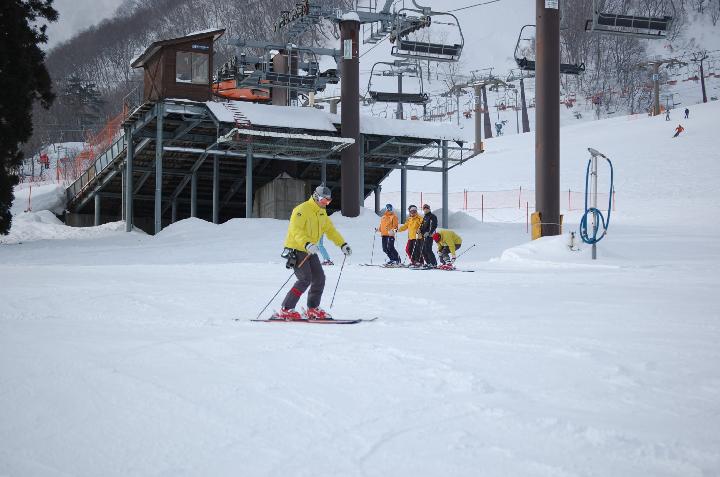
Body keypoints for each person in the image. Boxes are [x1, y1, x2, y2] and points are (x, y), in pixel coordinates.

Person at [276, 185, 351, 321]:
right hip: (297, 248)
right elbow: (296, 230)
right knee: (305, 279)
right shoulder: (301, 210)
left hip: (310, 250)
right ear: (316, 197)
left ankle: (313, 308)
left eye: (328, 201)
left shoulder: (321, 212)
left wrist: (342, 244)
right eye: (324, 200)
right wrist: (306, 243)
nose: (326, 203)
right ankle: (286, 309)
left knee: (319, 278)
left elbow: (330, 230)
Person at [418, 204, 438, 268]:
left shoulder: (432, 216)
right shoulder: (425, 217)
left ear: (429, 209)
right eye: (424, 209)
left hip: (429, 235)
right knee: (423, 250)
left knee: (428, 249)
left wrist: (429, 232)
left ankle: (433, 263)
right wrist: (419, 230)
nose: (425, 210)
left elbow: (434, 226)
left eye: (427, 208)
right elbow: (422, 225)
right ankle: (428, 263)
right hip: (424, 235)